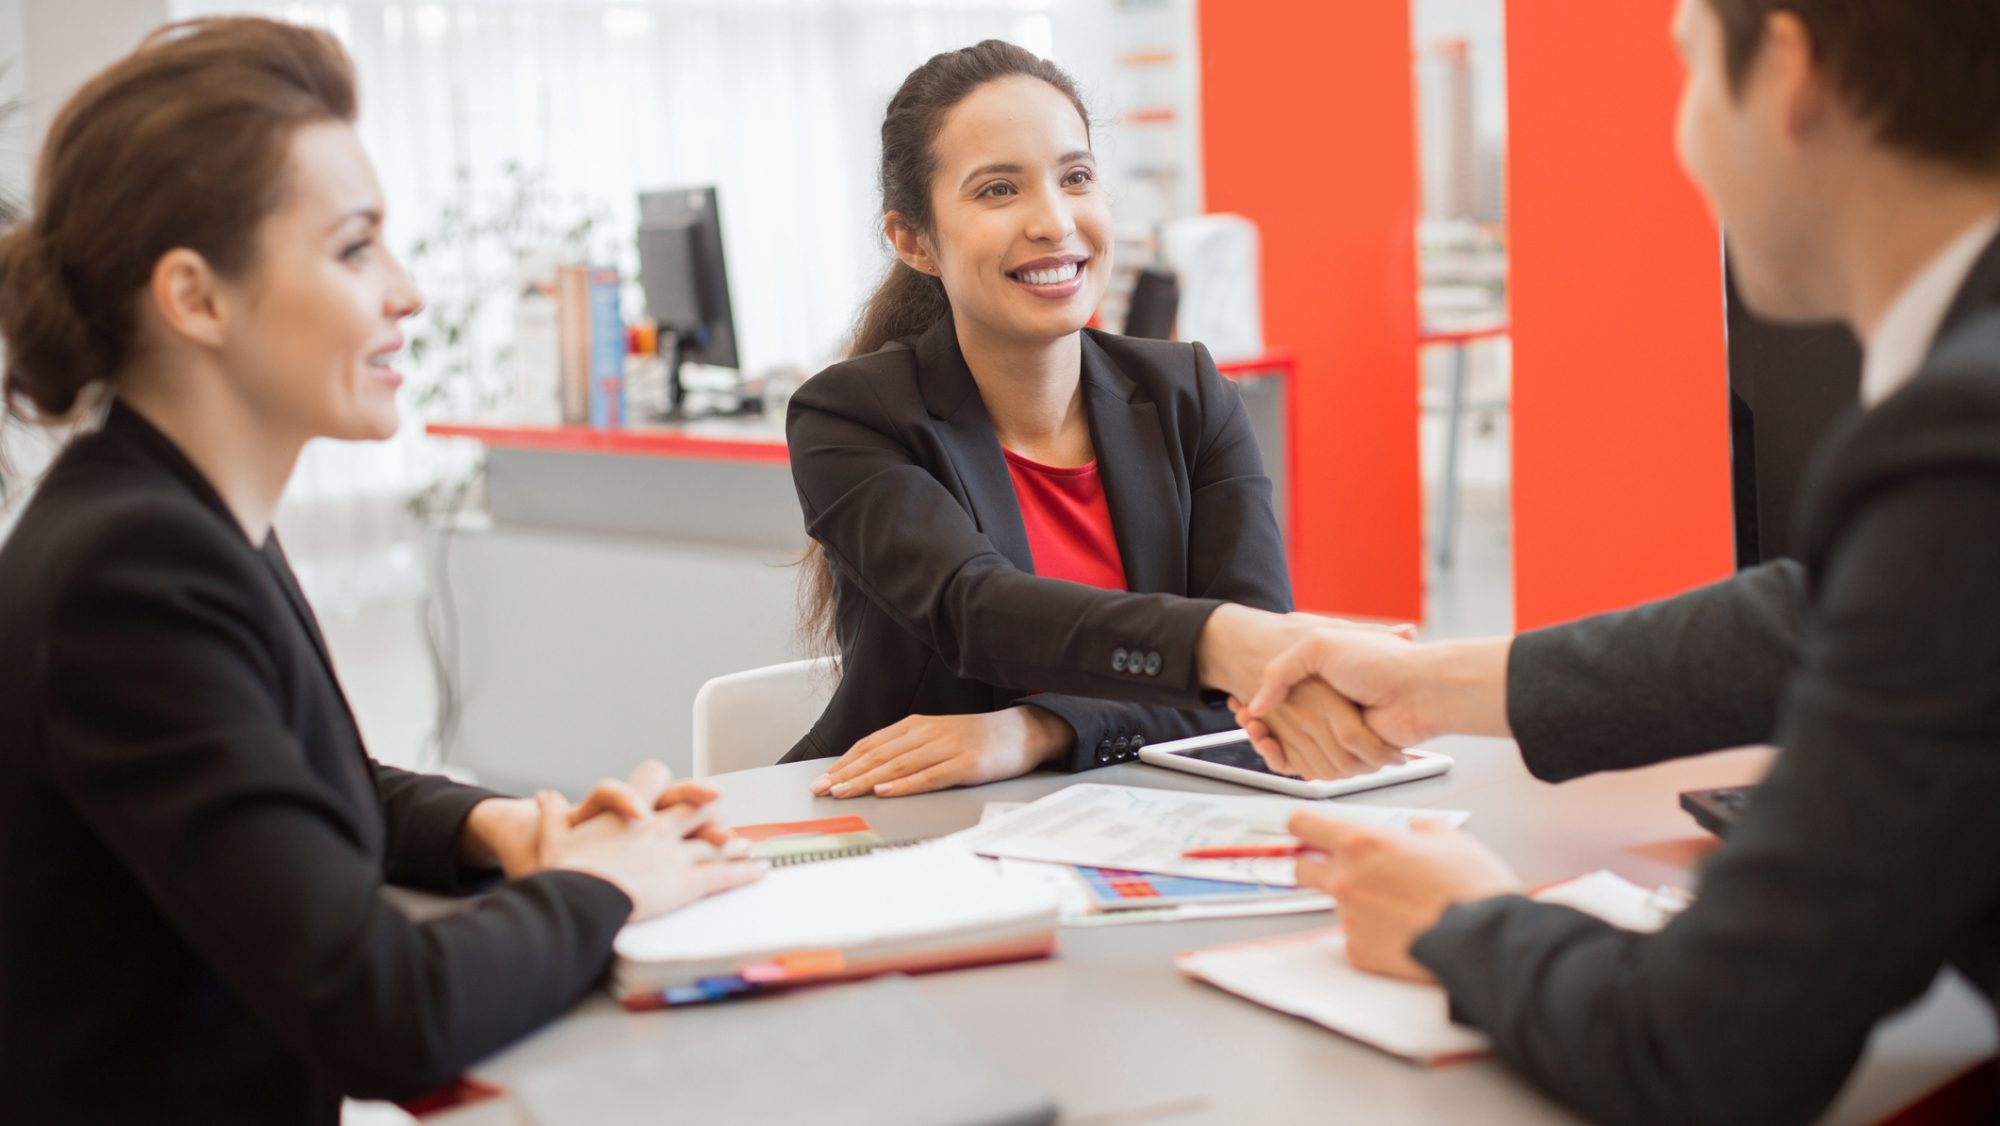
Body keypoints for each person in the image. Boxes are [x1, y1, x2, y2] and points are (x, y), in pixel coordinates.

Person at [1234, 0, 2000, 1121]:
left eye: (1688, 72)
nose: (1680, 141)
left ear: (1786, 74)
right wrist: (1433, 684)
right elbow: (1834, 612)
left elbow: (1704, 1046)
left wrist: (1459, 922)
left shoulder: (1958, 441)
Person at [0, 19, 763, 1123]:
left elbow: (308, 789)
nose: (405, 293)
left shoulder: (172, 515)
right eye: (356, 248)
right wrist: (603, 884)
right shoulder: (131, 571)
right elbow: (377, 1011)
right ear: (197, 298)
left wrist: (498, 828)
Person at [785, 41, 1395, 799]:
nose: (1054, 222)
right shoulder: (849, 415)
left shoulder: (1191, 394)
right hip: (911, 823)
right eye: (999, 191)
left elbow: (1254, 688)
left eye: (1076, 178)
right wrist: (1212, 642)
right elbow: (979, 612)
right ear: (914, 241)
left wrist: (1043, 729)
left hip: (1157, 817)